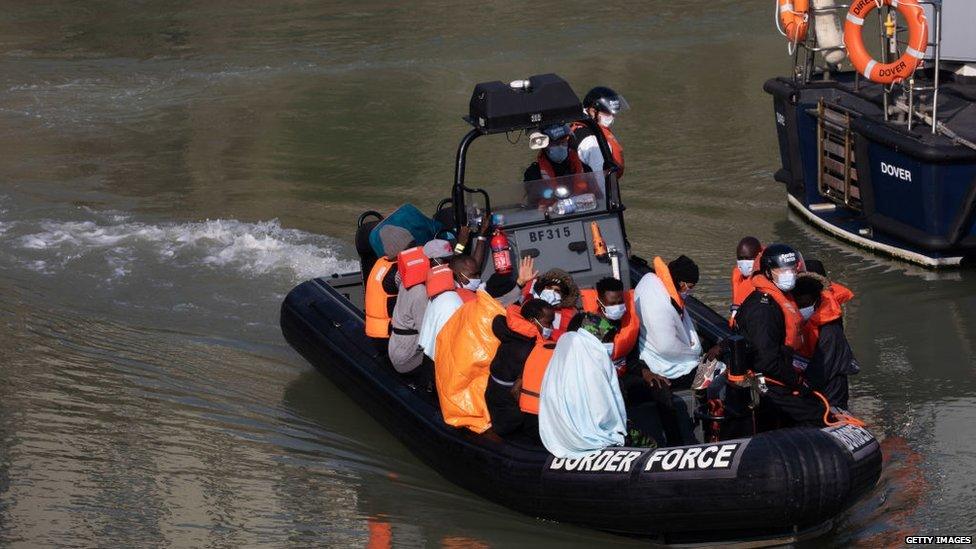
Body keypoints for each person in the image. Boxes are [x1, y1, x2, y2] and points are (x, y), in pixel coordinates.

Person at [734, 244, 827, 428]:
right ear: (768, 273)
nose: (789, 274)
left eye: (792, 269)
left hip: (779, 374)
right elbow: (766, 361)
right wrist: (797, 381)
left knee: (817, 407)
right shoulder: (763, 309)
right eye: (782, 270)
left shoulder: (778, 299)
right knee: (815, 416)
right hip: (767, 382)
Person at [538, 314, 628, 459]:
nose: (610, 345)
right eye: (605, 340)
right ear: (593, 341)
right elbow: (604, 415)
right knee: (650, 444)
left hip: (561, 436)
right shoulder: (590, 366)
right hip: (592, 440)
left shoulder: (562, 357)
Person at [484, 298, 554, 441]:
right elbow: (516, 390)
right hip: (508, 405)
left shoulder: (509, 332)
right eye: (548, 323)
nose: (551, 327)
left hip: (494, 391)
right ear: (533, 321)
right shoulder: (526, 349)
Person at [388, 239, 453, 388]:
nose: (449, 266)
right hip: (407, 357)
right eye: (445, 261)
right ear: (431, 261)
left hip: (400, 345)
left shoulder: (410, 277)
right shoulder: (420, 293)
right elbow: (428, 336)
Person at [792, 272, 859, 410]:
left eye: (805, 305)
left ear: (816, 302)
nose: (801, 309)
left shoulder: (829, 330)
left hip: (831, 390)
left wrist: (800, 389)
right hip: (812, 383)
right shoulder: (803, 324)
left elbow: (821, 368)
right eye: (798, 305)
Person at [634, 255, 704, 385]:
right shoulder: (662, 304)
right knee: (717, 370)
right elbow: (666, 347)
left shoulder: (648, 280)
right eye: (689, 287)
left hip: (643, 346)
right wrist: (692, 355)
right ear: (681, 283)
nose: (689, 291)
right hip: (659, 360)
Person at [579, 277, 639, 373]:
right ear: (599, 303)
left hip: (628, 370)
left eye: (620, 302)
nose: (617, 307)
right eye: (612, 304)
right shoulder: (591, 329)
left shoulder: (626, 320)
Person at [571, 86, 628, 186]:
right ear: (592, 111)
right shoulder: (593, 141)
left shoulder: (577, 129)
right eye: (607, 113)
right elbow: (600, 181)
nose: (612, 117)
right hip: (591, 195)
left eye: (613, 113)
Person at [364, 225, 414, 339]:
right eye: (410, 246)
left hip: (375, 330)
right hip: (390, 334)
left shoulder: (381, 263)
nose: (413, 249)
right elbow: (416, 295)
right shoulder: (397, 273)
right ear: (399, 249)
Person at [523, 269, 579, 340]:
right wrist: (521, 283)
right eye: (549, 288)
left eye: (557, 291)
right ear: (542, 289)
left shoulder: (569, 315)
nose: (551, 292)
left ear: (563, 296)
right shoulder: (528, 301)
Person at [730, 236, 763, 321]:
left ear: (758, 256)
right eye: (741, 258)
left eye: (749, 258)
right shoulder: (737, 275)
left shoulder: (769, 276)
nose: (744, 262)